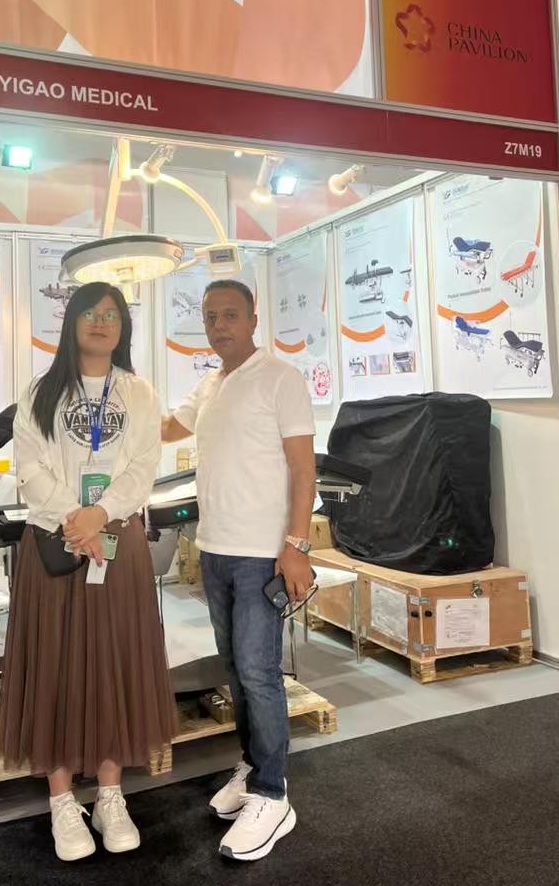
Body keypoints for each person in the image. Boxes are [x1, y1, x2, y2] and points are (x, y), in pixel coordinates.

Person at [0, 283, 176, 863]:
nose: (100, 322)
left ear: (123, 328)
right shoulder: (40, 391)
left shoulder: (138, 392)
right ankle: (61, 799)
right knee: (55, 663)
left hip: (118, 543)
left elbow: (143, 466)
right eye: (90, 313)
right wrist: (76, 521)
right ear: (71, 322)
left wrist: (101, 514)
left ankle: (110, 794)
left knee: (114, 663)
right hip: (56, 544)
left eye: (111, 315)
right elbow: (29, 468)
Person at [162, 280, 316, 863]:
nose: (219, 325)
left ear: (253, 319)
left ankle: (273, 795)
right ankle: (252, 766)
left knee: (258, 672)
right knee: (235, 670)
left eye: (230, 315)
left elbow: (303, 469)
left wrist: (296, 545)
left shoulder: (281, 378)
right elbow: (166, 429)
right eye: (210, 317)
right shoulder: (210, 383)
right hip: (215, 549)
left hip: (261, 553)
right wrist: (116, 400)